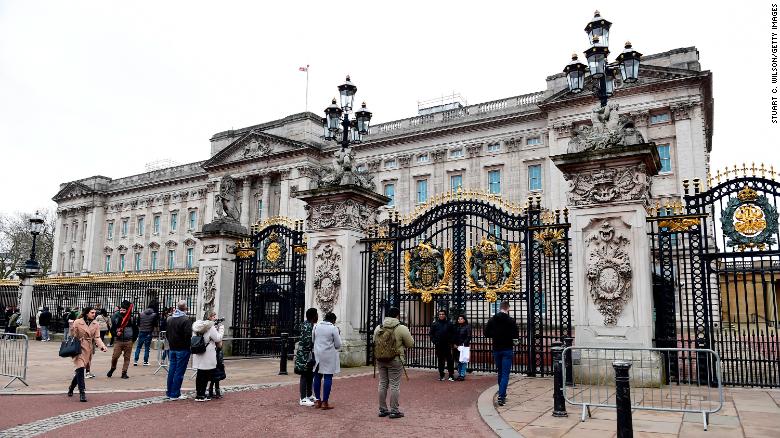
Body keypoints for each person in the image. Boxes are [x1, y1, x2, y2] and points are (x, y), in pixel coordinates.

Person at [373, 307, 414, 419]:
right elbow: (410, 343)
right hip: (395, 359)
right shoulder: (401, 328)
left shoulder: (379, 327)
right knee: (394, 385)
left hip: (380, 359)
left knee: (382, 384)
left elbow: (374, 341)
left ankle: (382, 409)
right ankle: (394, 411)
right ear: (397, 316)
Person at [68, 306, 108, 402]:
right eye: (92, 313)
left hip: (88, 348)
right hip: (78, 347)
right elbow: (72, 336)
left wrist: (102, 346)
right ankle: (82, 392)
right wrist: (71, 327)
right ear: (87, 313)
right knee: (80, 368)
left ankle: (71, 387)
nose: (94, 314)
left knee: (80, 370)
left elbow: (97, 337)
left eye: (95, 313)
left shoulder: (96, 324)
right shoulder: (78, 322)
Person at [484, 301, 519, 406]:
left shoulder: (492, 319)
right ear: (508, 308)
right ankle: (501, 396)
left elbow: (486, 333)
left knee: (500, 372)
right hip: (507, 348)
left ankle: (501, 392)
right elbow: (515, 335)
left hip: (496, 348)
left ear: (500, 308)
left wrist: (495, 335)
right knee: (505, 374)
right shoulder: (511, 320)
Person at [192, 311, 224, 402]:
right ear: (209, 317)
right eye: (213, 316)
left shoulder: (196, 326)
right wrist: (221, 329)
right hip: (207, 353)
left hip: (198, 351)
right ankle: (202, 395)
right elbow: (218, 338)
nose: (215, 318)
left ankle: (199, 393)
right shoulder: (210, 327)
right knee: (205, 375)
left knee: (199, 374)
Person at [312, 312, 341, 410]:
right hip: (328, 356)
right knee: (328, 377)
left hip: (317, 355)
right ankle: (325, 402)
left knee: (317, 377)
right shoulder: (333, 328)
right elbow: (338, 344)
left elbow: (313, 340)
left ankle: (318, 400)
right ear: (333, 320)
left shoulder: (316, 326)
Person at [165, 300, 193, 400]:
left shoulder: (170, 319)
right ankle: (175, 393)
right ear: (185, 308)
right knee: (179, 372)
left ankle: (169, 392)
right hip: (182, 348)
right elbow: (188, 335)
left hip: (172, 348)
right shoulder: (186, 320)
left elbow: (167, 334)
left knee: (172, 370)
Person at [293, 308, 318, 406]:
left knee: (309, 375)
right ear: (313, 316)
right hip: (305, 355)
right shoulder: (309, 327)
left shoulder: (307, 324)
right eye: (316, 315)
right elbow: (308, 342)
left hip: (307, 354)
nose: (317, 317)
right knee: (304, 375)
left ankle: (309, 395)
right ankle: (303, 398)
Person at [107, 300, 136, 379]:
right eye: (121, 310)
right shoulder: (117, 318)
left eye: (124, 310)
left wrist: (133, 340)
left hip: (128, 341)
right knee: (115, 357)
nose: (122, 311)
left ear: (127, 310)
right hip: (119, 341)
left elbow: (136, 330)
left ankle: (124, 372)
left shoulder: (131, 318)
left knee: (127, 358)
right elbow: (112, 329)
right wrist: (116, 334)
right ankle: (113, 368)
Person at [429, 309, 455, 381]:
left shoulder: (449, 323)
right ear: (438, 315)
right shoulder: (435, 324)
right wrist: (434, 341)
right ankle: (441, 374)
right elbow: (431, 334)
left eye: (442, 314)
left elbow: (453, 333)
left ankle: (451, 374)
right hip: (439, 345)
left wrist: (451, 341)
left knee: (450, 360)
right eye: (440, 314)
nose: (441, 315)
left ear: (445, 315)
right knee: (440, 360)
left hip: (447, 345)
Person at [454, 315, 471, 381]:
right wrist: (454, 344)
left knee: (463, 361)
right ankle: (460, 373)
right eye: (458, 319)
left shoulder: (467, 327)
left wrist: (463, 344)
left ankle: (462, 375)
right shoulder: (456, 327)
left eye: (461, 319)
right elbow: (454, 336)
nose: (459, 320)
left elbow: (469, 336)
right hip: (457, 346)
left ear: (464, 320)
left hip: (464, 346)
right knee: (458, 361)